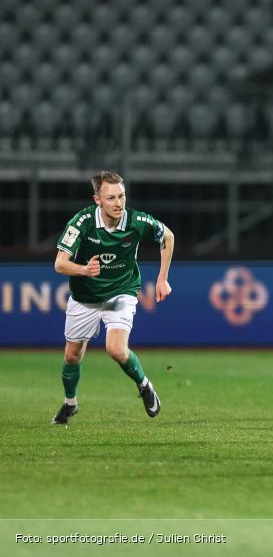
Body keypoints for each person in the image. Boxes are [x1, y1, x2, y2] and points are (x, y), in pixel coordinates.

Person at [51, 171, 175, 425]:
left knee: (116, 349)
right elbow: (60, 264)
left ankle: (144, 385)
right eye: (111, 198)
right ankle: (70, 403)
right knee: (72, 356)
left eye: (122, 196)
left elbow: (168, 236)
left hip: (121, 290)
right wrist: (84, 270)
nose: (118, 203)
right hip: (85, 297)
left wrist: (162, 278)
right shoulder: (82, 223)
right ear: (97, 199)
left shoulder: (137, 221)